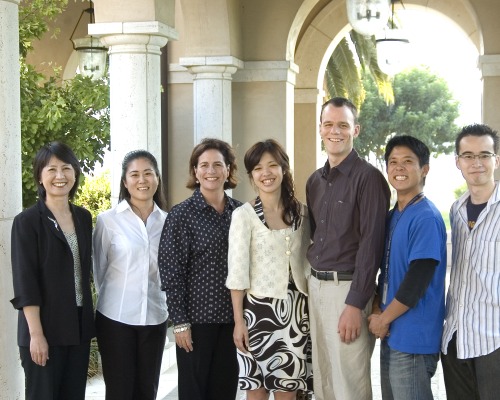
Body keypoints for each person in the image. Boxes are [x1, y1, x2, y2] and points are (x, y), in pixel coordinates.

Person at [306, 97, 391, 400]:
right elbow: (317, 236)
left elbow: (371, 246)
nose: (335, 131)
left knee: (350, 385)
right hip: (316, 288)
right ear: (320, 129)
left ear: (356, 129)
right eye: (329, 124)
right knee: (325, 380)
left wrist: (355, 304)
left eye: (343, 125)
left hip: (347, 291)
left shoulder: (369, 179)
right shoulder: (315, 181)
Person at [226, 139, 313, 400]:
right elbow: (237, 272)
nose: (266, 173)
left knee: (288, 392)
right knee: (257, 390)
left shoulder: (302, 213)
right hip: (256, 315)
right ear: (252, 175)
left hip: (296, 314)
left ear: (284, 169)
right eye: (258, 168)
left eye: (273, 165)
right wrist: (239, 322)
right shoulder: (244, 215)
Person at [10, 142, 95, 400]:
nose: (60, 176)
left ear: (75, 174)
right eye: (52, 169)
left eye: (66, 168)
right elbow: (26, 283)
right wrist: (36, 335)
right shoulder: (27, 221)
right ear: (40, 176)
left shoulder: (83, 217)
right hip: (44, 329)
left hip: (77, 328)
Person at [158, 138, 242, 400]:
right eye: (204, 165)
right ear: (195, 171)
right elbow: (172, 273)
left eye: (218, 164)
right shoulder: (181, 215)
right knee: (195, 393)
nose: (211, 171)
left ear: (228, 170)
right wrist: (180, 322)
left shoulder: (240, 213)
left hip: (232, 321)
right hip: (195, 324)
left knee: (225, 391)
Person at [368, 135, 447, 400]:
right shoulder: (394, 215)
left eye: (408, 162)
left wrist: (382, 319)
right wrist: (378, 308)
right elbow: (387, 273)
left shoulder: (425, 216)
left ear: (424, 169)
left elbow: (417, 281)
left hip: (414, 338)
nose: (399, 168)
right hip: (392, 333)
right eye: (393, 162)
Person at [93, 150, 168, 400]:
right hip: (116, 318)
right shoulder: (108, 221)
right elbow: (99, 270)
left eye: (148, 173)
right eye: (134, 174)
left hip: (154, 317)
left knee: (147, 391)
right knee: (120, 391)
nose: (142, 180)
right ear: (125, 182)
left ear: (157, 178)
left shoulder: (168, 222)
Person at [441, 124, 500, 400]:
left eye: (484, 155)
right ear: (458, 162)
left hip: (494, 339)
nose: (476, 163)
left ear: (496, 160)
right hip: (455, 337)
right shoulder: (457, 209)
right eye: (468, 156)